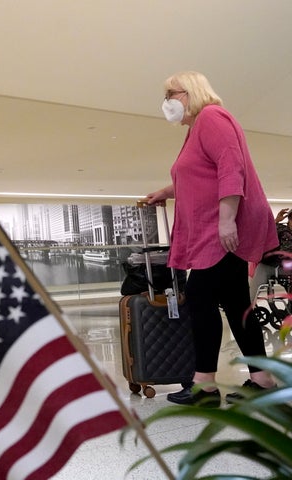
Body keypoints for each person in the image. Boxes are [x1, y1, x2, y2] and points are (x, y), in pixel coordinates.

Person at [145, 71, 278, 407]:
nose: (167, 102)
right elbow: (198, 176)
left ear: (189, 92)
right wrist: (165, 191)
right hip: (213, 228)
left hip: (221, 228)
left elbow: (231, 167)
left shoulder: (212, 117)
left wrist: (227, 220)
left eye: (171, 94)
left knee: (200, 296)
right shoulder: (195, 130)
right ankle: (262, 380)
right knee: (235, 303)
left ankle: (203, 385)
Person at [249, 207, 292, 301]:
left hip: (289, 266)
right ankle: (246, 307)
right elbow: (262, 233)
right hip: (271, 264)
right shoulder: (280, 228)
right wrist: (276, 221)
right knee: (261, 270)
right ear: (289, 219)